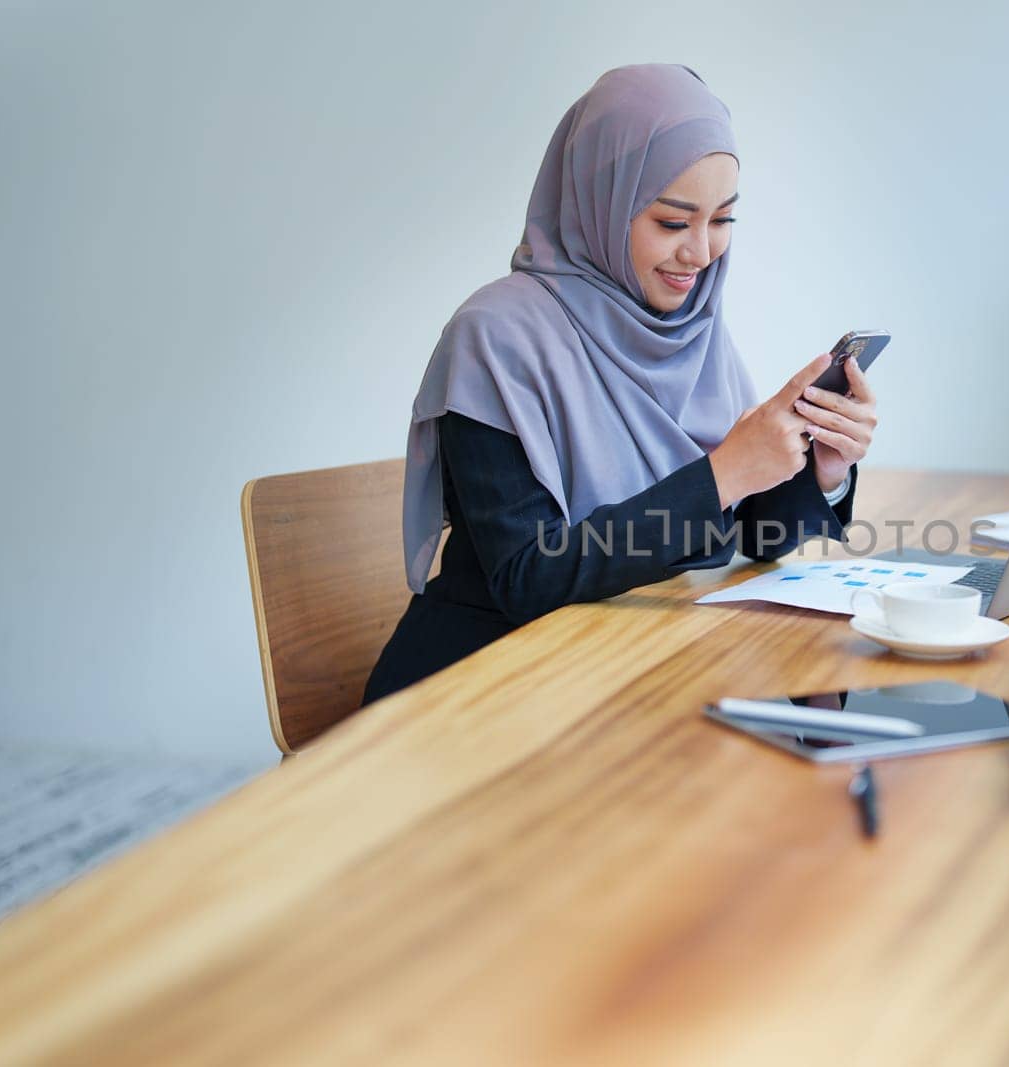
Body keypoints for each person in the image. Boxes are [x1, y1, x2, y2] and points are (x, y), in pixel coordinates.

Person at [362, 64, 880, 703]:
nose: (701, 252)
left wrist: (820, 472)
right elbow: (526, 576)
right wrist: (723, 473)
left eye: (723, 220)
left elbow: (749, 535)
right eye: (671, 222)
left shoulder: (693, 331)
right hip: (483, 691)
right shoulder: (496, 335)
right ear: (598, 202)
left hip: (632, 671)